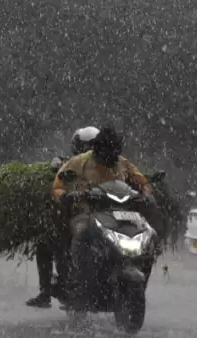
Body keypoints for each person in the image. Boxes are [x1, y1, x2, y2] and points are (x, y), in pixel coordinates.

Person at [52, 126, 159, 310]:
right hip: (86, 213)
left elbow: (143, 182)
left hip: (121, 214)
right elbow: (58, 184)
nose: (110, 158)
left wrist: (147, 194)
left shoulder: (123, 163)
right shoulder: (79, 162)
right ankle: (78, 280)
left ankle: (139, 275)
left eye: (114, 154)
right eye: (106, 153)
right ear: (97, 149)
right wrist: (65, 196)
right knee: (82, 232)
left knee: (152, 234)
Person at [26, 126, 100, 308]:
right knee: (50, 242)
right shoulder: (70, 164)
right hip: (77, 215)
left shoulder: (109, 165)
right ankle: (47, 292)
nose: (89, 151)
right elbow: (59, 178)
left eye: (93, 146)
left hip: (105, 215)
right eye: (87, 146)